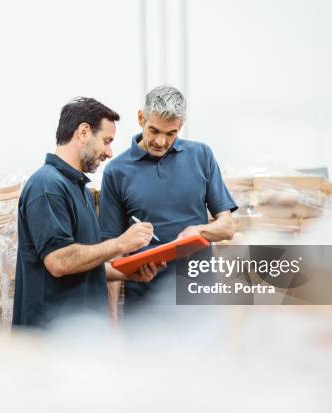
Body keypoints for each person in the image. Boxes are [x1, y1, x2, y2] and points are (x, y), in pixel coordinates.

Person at [12, 97, 163, 328]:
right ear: (83, 132)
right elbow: (59, 261)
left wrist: (127, 273)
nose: (110, 152)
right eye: (106, 141)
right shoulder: (47, 186)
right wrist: (121, 244)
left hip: (79, 338)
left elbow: (82, 263)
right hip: (51, 341)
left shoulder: (78, 188)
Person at [98, 86, 237, 313]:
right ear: (141, 118)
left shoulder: (202, 156)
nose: (161, 142)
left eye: (171, 133)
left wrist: (199, 232)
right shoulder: (116, 171)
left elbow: (227, 226)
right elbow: (114, 250)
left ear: (181, 126)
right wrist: (112, 321)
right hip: (144, 305)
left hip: (197, 300)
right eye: (154, 130)